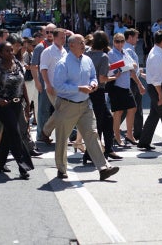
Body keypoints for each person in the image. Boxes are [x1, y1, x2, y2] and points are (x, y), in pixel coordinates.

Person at [51, 34, 120, 181]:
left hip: (85, 104)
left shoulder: (87, 60)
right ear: (71, 46)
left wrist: (94, 83)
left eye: (83, 42)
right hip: (67, 105)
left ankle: (103, 168)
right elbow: (58, 86)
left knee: (92, 135)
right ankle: (61, 169)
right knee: (62, 138)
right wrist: (78, 88)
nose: (84, 44)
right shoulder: (63, 63)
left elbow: (93, 76)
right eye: (80, 42)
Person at [0, 41, 33, 180]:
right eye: (7, 51)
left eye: (12, 50)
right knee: (15, 132)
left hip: (17, 105)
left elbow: (22, 84)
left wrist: (27, 103)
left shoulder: (17, 65)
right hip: (3, 106)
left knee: (8, 134)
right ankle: (23, 166)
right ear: (0, 53)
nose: (11, 53)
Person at [84, 31, 122, 161]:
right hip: (98, 91)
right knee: (99, 123)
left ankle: (108, 149)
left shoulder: (87, 53)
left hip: (88, 91)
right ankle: (91, 153)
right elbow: (102, 78)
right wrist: (114, 77)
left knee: (107, 119)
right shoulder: (103, 56)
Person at [140, 30, 162, 151]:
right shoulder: (157, 55)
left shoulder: (156, 52)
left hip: (157, 87)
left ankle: (144, 141)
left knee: (154, 116)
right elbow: (156, 79)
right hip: (158, 88)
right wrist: (161, 95)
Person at [107, 33, 139, 147]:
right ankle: (116, 136)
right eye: (117, 41)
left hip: (126, 85)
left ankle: (129, 134)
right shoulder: (111, 54)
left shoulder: (124, 52)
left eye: (121, 41)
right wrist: (126, 65)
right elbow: (112, 68)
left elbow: (133, 65)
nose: (120, 44)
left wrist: (126, 65)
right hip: (116, 86)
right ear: (113, 42)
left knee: (132, 108)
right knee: (118, 112)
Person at [31, 24, 57, 144]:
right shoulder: (40, 47)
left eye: (52, 31)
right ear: (44, 33)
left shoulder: (60, 45)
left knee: (61, 110)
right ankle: (41, 135)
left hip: (59, 86)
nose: (50, 34)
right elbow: (33, 66)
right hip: (45, 85)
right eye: (47, 32)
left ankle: (49, 133)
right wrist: (37, 82)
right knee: (43, 110)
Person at [123, 28, 147, 140]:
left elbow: (134, 69)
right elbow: (131, 70)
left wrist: (140, 74)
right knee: (132, 107)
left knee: (133, 107)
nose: (137, 39)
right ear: (130, 37)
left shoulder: (129, 49)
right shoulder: (128, 50)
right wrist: (139, 84)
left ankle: (137, 132)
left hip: (133, 80)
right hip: (132, 81)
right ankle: (137, 132)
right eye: (136, 37)